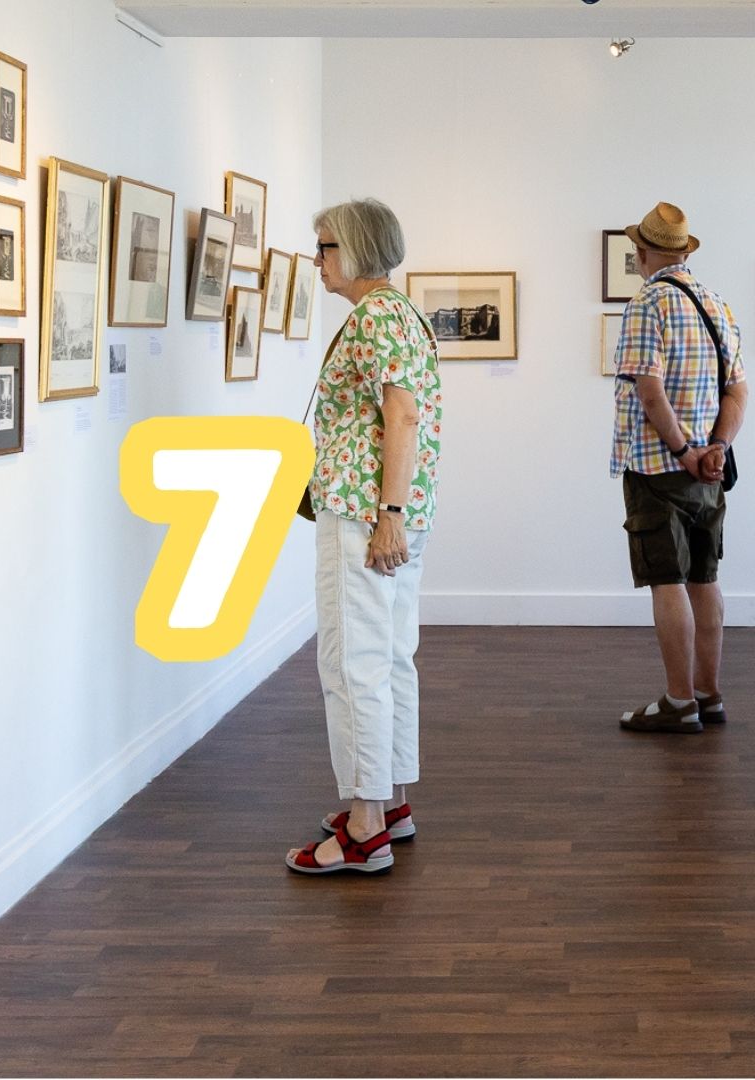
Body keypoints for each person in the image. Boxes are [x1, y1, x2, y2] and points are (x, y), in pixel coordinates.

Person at [286, 198, 441, 875]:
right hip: (395, 513)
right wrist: (401, 513)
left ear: (352, 249)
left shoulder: (374, 319)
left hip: (363, 515)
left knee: (353, 664)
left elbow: (401, 418)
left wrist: (386, 515)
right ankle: (391, 800)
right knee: (389, 657)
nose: (316, 259)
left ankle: (365, 827)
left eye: (323, 247)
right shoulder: (403, 315)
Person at [611, 201, 747, 734]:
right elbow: (738, 390)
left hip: (657, 467)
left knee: (667, 579)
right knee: (705, 577)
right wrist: (714, 447)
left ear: (643, 253)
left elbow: (650, 392)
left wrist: (684, 451)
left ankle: (678, 700)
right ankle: (709, 696)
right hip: (709, 471)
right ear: (684, 251)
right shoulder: (717, 305)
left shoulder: (649, 302)